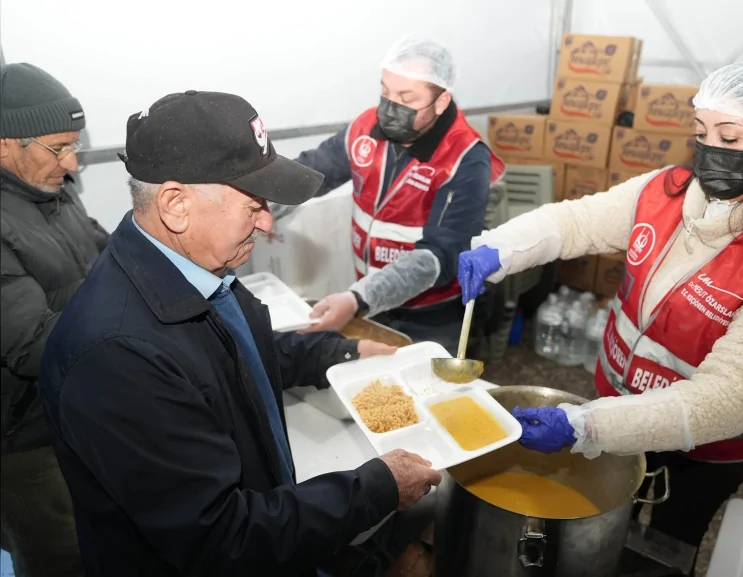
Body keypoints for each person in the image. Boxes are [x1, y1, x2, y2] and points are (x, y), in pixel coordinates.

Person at [458, 62, 743, 573]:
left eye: (730, 137)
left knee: (664, 548)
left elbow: (730, 398)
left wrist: (588, 428)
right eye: (701, 133)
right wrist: (502, 247)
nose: (710, 149)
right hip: (619, 403)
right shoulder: (666, 191)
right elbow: (576, 222)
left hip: (700, 450)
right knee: (600, 527)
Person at [38, 90, 442, 577]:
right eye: (253, 205)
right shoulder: (117, 358)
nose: (268, 222)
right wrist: (376, 489)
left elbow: (235, 351)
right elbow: (222, 537)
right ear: (176, 204)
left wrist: (340, 353)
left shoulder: (194, 270)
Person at [283, 34, 504, 352]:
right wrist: (254, 198)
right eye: (385, 92)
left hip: (432, 313)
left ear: (441, 101)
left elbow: (440, 255)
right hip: (372, 299)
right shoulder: (364, 128)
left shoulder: (465, 158)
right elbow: (311, 172)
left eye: (407, 98)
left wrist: (358, 298)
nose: (390, 108)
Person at [1, 62, 105, 577]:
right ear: (5, 145)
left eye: (74, 146)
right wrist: (135, 332)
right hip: (26, 436)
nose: (73, 163)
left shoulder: (50, 189)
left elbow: (103, 254)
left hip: (79, 408)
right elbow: (32, 344)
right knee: (63, 557)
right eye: (58, 148)